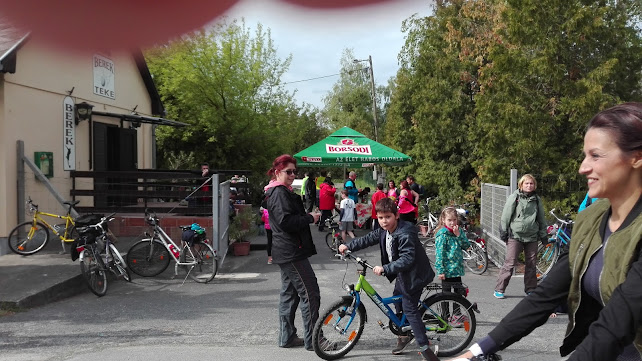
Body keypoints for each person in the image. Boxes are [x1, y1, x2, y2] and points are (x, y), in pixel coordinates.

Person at [449, 103, 642, 361]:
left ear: (636, 157)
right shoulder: (590, 219)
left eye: (596, 156)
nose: (583, 167)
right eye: (585, 156)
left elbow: (617, 321)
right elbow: (544, 297)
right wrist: (475, 351)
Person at [338, 197, 439, 361]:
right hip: (403, 274)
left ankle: (425, 347)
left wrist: (386, 268)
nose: (384, 221)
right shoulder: (384, 230)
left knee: (410, 309)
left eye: (387, 217)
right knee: (397, 301)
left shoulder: (405, 233)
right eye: (380, 218)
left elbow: (407, 258)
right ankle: (404, 334)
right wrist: (349, 246)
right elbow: (368, 238)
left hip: (415, 276)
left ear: (396, 215)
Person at [264, 154, 321, 351]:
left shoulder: (278, 191)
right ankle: (315, 340)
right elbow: (285, 222)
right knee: (310, 292)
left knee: (290, 295)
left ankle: (287, 337)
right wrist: (310, 218)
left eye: (294, 172)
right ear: (278, 172)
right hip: (291, 251)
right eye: (288, 171)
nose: (292, 175)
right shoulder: (279, 193)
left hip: (286, 250)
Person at [494, 174, 546, 299]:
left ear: (534, 185)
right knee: (510, 263)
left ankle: (531, 289)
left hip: (532, 236)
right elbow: (506, 215)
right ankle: (499, 289)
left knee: (531, 264)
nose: (529, 186)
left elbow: (541, 218)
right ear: (521, 185)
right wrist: (503, 231)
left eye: (531, 183)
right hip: (515, 235)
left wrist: (543, 235)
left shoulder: (537, 199)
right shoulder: (515, 197)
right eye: (526, 183)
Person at [434, 206, 471, 326]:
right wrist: (440, 270)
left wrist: (458, 235)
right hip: (447, 271)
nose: (452, 222)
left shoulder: (458, 232)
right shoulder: (442, 235)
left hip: (457, 269)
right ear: (443, 220)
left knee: (458, 293)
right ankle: (445, 317)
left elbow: (467, 246)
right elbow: (439, 254)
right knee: (445, 295)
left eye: (454, 220)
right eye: (449, 220)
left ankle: (456, 315)